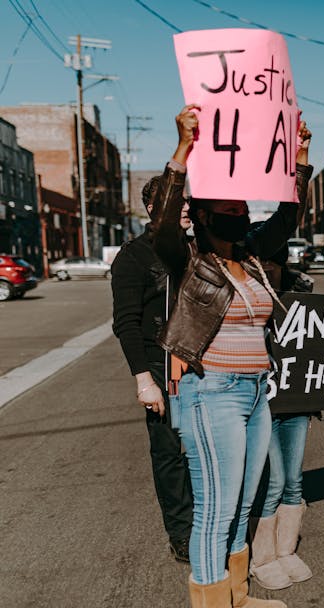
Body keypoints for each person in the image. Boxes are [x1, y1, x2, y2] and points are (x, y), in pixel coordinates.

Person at [152, 104, 312, 608]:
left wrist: (301, 160)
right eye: (225, 206)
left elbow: (287, 216)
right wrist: (182, 150)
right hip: (211, 391)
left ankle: (236, 597)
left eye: (241, 205)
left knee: (243, 504)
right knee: (215, 510)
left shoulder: (251, 259)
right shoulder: (190, 260)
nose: (238, 212)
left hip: (254, 391)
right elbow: (162, 231)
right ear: (201, 213)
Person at [110, 176, 194, 563]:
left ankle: (210, 522)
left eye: (188, 201)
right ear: (152, 209)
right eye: (179, 202)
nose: (187, 208)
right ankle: (181, 531)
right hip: (159, 366)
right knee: (168, 453)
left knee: (204, 450)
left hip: (199, 364)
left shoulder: (197, 248)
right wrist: (144, 380)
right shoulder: (134, 256)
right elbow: (125, 322)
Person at [249, 236, 316, 591]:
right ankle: (262, 557)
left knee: (293, 480)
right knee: (272, 480)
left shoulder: (303, 292)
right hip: (261, 402)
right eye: (261, 261)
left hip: (297, 400)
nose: (268, 267)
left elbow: (321, 343)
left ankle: (285, 549)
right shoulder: (242, 296)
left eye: (274, 261)